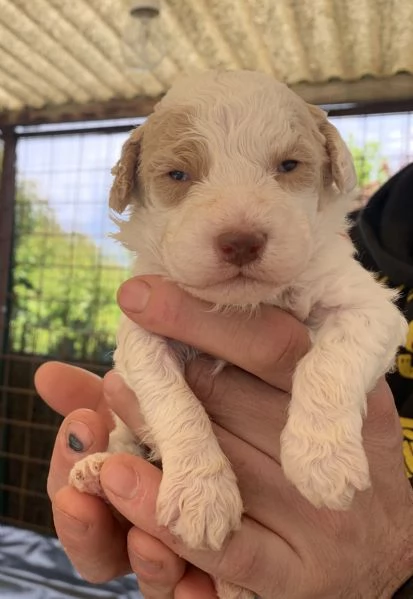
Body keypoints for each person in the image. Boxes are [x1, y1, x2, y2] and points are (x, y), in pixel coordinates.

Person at [36, 165, 413, 598]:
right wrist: (152, 454)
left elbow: (370, 322)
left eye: (286, 167)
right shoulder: (374, 226)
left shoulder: (325, 245)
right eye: (179, 176)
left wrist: (395, 577)